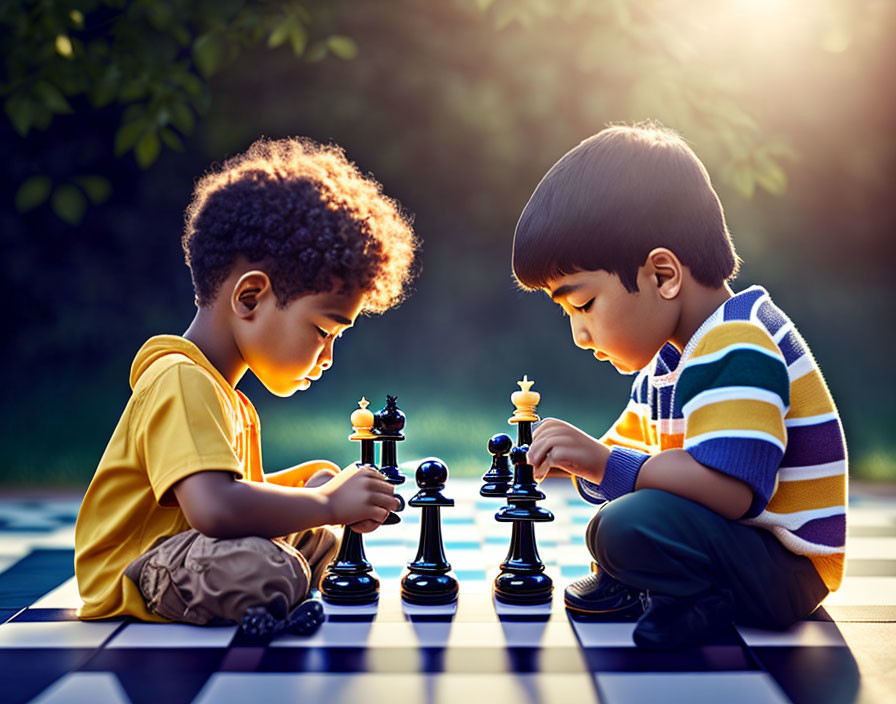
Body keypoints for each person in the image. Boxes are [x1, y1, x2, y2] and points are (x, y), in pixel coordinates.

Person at [512, 123, 846, 650]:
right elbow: (631, 460)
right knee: (616, 525)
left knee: (629, 526)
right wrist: (583, 462)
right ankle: (660, 587)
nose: (579, 335)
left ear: (663, 275)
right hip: (734, 542)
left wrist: (603, 464)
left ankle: (694, 600)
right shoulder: (671, 359)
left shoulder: (738, 342)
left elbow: (730, 491)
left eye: (582, 305)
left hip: (785, 569)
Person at [74, 137, 419, 640]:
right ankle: (276, 595)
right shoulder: (181, 379)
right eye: (324, 331)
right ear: (250, 297)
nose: (327, 356)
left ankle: (280, 594)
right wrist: (327, 505)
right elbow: (215, 508)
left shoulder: (227, 396)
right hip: (139, 568)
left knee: (317, 524)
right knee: (264, 563)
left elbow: (235, 496)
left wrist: (313, 488)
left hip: (192, 547)